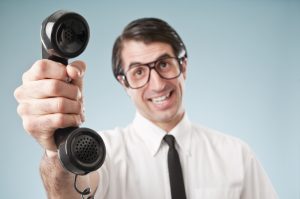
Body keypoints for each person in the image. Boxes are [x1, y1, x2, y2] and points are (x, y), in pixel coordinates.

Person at [14, 18, 278, 199]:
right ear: (124, 82)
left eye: (164, 64)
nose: (158, 84)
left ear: (183, 66)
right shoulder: (103, 153)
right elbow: (70, 192)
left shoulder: (237, 155)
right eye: (139, 71)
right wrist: (55, 149)